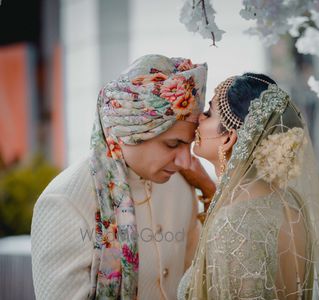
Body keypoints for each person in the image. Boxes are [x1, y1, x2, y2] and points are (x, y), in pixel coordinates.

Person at [31, 54, 215, 299]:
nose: (185, 161)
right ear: (130, 132)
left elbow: (198, 281)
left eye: (189, 144)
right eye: (172, 144)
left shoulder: (182, 184)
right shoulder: (64, 200)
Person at [177, 73, 319, 299]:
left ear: (228, 138)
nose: (198, 118)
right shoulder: (289, 201)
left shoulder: (235, 222)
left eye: (208, 113)